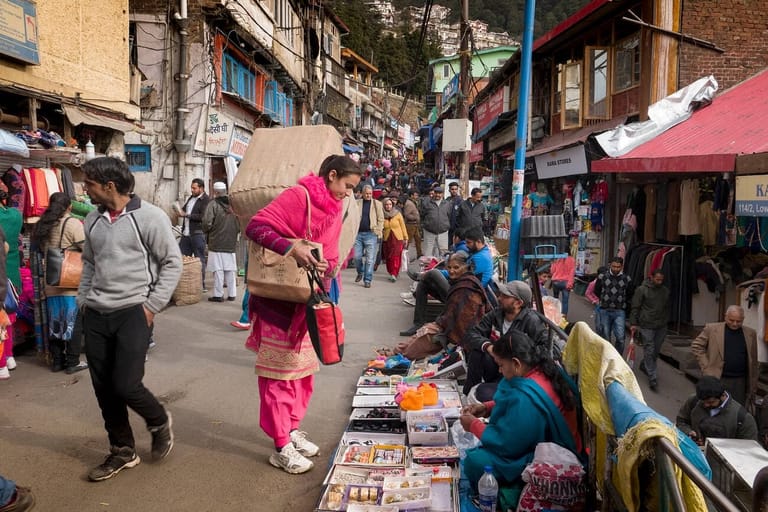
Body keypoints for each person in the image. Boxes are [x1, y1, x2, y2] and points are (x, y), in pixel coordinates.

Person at [244, 154, 361, 474]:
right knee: (279, 376)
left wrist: (326, 271)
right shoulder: (299, 196)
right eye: (347, 186)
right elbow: (255, 227)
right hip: (279, 303)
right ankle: (281, 445)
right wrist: (292, 248)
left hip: (309, 301)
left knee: (303, 374)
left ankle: (292, 428)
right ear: (332, 175)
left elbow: (331, 252)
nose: (348, 193)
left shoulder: (336, 206)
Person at [78, 157, 182, 482]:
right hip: (96, 313)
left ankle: (158, 420)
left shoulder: (150, 217)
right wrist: (83, 300)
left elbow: (172, 262)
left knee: (125, 384)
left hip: (134, 312)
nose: (84, 188)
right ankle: (123, 450)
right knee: (103, 388)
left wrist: (151, 307)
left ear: (109, 186)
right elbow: (89, 263)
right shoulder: (92, 220)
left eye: (89, 183)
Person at [460, 328, 582, 510]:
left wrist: (474, 425)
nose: (499, 370)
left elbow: (508, 444)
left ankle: (511, 491)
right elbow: (508, 402)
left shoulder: (526, 398)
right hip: (534, 440)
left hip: (552, 456)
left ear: (516, 363)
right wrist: (486, 408)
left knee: (476, 462)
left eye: (501, 365)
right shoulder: (537, 369)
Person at [30, 192, 88, 374]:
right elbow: (87, 250)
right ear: (69, 206)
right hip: (70, 282)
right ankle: (72, 362)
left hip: (51, 282)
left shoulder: (43, 225)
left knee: (55, 322)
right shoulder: (72, 223)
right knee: (73, 322)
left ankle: (57, 361)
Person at [399, 226, 493, 337]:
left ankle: (420, 276)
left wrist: (437, 273)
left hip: (466, 296)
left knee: (433, 274)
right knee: (424, 284)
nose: (467, 245)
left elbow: (460, 274)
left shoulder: (481, 258)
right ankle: (418, 323)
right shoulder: (477, 254)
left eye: (469, 243)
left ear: (479, 242)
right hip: (461, 289)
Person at [463, 280, 551, 396]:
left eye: (505, 296)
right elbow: (472, 333)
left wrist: (518, 355)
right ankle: (467, 392)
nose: (499, 298)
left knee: (483, 393)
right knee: (477, 352)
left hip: (515, 373)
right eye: (500, 294)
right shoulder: (496, 314)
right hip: (498, 367)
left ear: (518, 303)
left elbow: (549, 349)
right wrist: (489, 346)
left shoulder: (531, 321)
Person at [691, 305, 758, 406]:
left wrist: (753, 384)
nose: (735, 324)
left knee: (737, 408)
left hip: (740, 381)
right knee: (714, 406)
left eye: (739, 321)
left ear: (743, 319)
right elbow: (697, 346)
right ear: (725, 317)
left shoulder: (750, 333)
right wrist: (707, 367)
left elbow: (754, 360)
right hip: (718, 377)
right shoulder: (712, 329)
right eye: (731, 320)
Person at [676, 376, 757, 445]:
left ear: (723, 395)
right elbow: (681, 422)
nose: (706, 405)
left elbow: (748, 448)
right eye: (703, 402)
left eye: (711, 402)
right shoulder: (694, 401)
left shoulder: (743, 418)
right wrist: (688, 432)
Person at [629, 269, 670, 391]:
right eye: (657, 279)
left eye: (661, 280)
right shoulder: (642, 290)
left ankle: (644, 365)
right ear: (651, 277)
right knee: (649, 349)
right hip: (647, 324)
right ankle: (652, 377)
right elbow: (635, 307)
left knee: (656, 350)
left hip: (661, 325)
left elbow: (667, 307)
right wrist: (633, 323)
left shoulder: (665, 291)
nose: (659, 282)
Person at [202, 182, 239, 302]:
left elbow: (207, 222)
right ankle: (232, 294)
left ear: (216, 192)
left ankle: (218, 295)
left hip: (216, 241)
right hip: (231, 242)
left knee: (218, 269)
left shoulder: (213, 204)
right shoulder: (234, 204)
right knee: (230, 269)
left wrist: (206, 231)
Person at [0, 191, 22, 379]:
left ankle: (3, 363)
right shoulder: (16, 215)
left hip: (2, 273)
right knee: (8, 318)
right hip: (13, 273)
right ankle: (9, 357)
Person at [593, 256, 632, 355]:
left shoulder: (627, 279)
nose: (615, 269)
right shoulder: (602, 276)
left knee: (620, 337)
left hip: (619, 311)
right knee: (606, 336)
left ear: (621, 267)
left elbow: (630, 293)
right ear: (610, 265)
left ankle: (617, 357)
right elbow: (596, 290)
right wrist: (604, 299)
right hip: (604, 310)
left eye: (618, 267)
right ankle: (607, 356)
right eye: (614, 266)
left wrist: (621, 301)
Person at [177, 178, 209, 290]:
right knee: (181, 258)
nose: (192, 190)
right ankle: (183, 285)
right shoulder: (191, 198)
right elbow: (184, 210)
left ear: (201, 188)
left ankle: (201, 285)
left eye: (194, 188)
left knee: (199, 260)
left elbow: (203, 217)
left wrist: (187, 215)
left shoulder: (206, 200)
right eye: (191, 188)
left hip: (197, 234)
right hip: (186, 234)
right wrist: (179, 211)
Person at [353, 185, 384, 288]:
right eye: (366, 193)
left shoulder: (377, 204)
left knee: (370, 259)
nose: (368, 195)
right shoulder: (357, 203)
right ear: (362, 193)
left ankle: (367, 279)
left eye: (370, 193)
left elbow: (381, 219)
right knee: (357, 257)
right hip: (358, 234)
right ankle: (360, 272)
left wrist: (378, 230)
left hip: (371, 234)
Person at [420, 186, 451, 258]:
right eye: (436, 193)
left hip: (443, 232)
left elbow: (449, 216)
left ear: (442, 194)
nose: (437, 195)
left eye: (439, 193)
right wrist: (425, 225)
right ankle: (428, 265)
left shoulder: (447, 204)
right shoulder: (427, 203)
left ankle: (442, 265)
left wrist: (446, 225)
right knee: (427, 253)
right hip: (429, 232)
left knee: (443, 254)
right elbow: (422, 215)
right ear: (433, 193)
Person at [381, 198, 408, 282]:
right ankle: (391, 271)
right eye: (386, 204)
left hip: (397, 238)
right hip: (387, 238)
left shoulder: (397, 214)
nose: (388, 206)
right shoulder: (381, 214)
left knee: (395, 256)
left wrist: (405, 237)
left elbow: (403, 226)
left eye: (390, 204)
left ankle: (394, 273)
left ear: (392, 205)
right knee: (388, 257)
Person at [402, 189, 422, 259]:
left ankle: (419, 254)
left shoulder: (414, 202)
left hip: (415, 224)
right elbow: (406, 214)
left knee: (418, 239)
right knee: (408, 240)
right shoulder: (409, 203)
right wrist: (415, 218)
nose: (417, 196)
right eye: (415, 195)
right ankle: (403, 254)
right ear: (411, 195)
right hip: (410, 224)